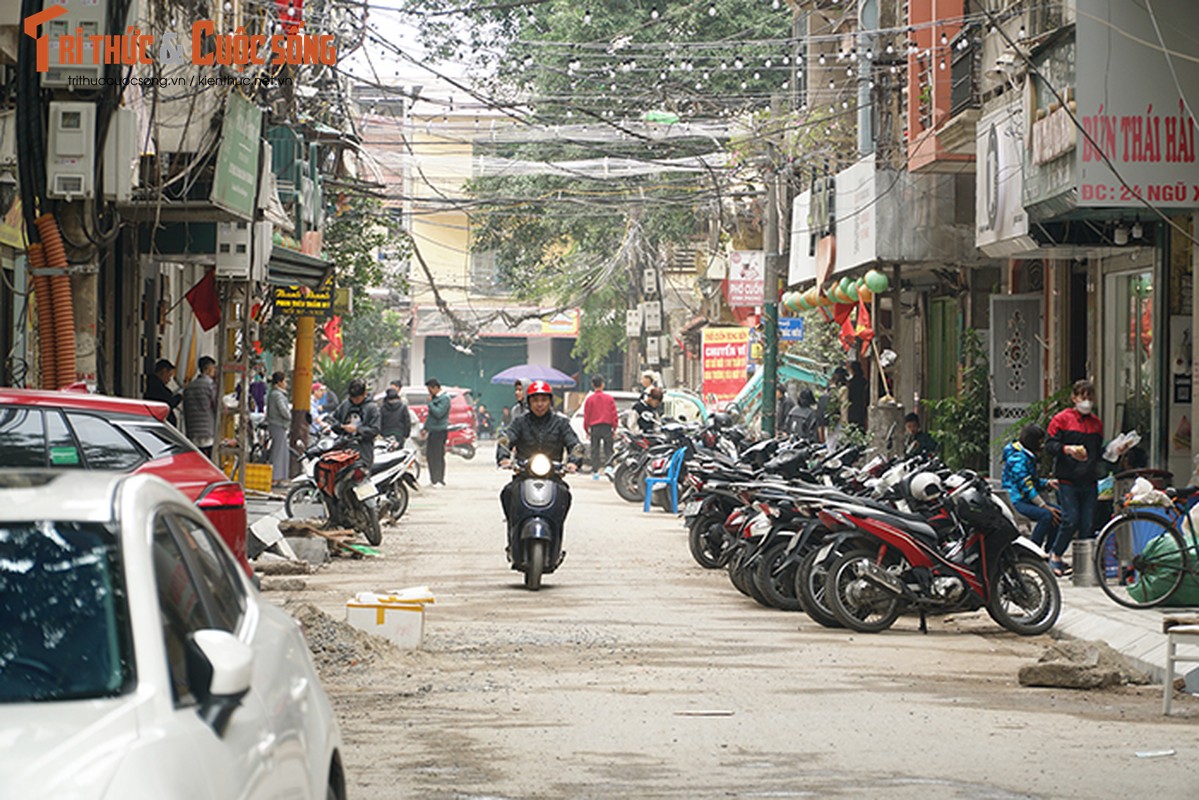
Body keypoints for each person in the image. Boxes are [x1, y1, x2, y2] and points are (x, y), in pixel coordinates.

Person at [496, 380, 582, 541]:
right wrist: (504, 457)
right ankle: (512, 532)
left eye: (544, 400)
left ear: (550, 401)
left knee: (566, 495)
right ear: (529, 402)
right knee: (507, 493)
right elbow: (506, 439)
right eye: (535, 400)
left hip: (553, 477)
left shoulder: (561, 423)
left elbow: (574, 444)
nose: (540, 404)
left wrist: (573, 461)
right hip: (524, 476)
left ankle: (557, 533)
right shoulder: (520, 422)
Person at [1044, 379, 1106, 576]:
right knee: (1071, 519)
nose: (1086, 402)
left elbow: (1098, 452)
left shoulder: (1096, 424)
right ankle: (1056, 555)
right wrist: (1066, 449)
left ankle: (1084, 566)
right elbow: (1049, 446)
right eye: (1082, 397)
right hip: (1068, 479)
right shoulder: (1061, 419)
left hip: (1089, 479)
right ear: (1074, 398)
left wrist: (1114, 451)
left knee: (1088, 522)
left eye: (1089, 398)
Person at [1002, 424, 1063, 566]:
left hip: (1025, 500)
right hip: (1015, 501)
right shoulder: (1017, 458)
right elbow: (1027, 485)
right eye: (1040, 442)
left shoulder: (1026, 456)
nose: (1042, 446)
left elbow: (1033, 481)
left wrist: (1047, 483)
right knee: (1047, 515)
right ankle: (1031, 554)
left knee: (1059, 515)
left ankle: (1051, 554)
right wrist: (1044, 506)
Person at [332, 378, 381, 469]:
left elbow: (375, 429)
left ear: (365, 394)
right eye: (352, 398)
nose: (355, 401)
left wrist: (357, 430)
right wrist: (341, 426)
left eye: (358, 398)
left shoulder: (372, 408)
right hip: (344, 450)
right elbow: (333, 420)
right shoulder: (345, 405)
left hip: (363, 451)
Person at [182, 355, 218, 458]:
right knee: (208, 462)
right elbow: (217, 405)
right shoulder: (210, 385)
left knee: (196, 461)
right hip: (208, 432)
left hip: (192, 432)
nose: (214, 371)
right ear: (208, 369)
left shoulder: (189, 387)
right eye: (213, 368)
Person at [583, 374, 618, 479]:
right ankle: (609, 468)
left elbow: (586, 415)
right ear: (603, 384)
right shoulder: (609, 399)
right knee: (609, 449)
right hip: (607, 426)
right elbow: (614, 414)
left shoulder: (590, 399)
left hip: (594, 427)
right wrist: (615, 428)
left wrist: (586, 430)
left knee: (595, 449)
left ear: (592, 384)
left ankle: (595, 472)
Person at [266, 371, 292, 486]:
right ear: (279, 382)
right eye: (285, 381)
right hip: (278, 425)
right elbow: (283, 410)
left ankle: (279, 477)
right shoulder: (277, 395)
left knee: (281, 451)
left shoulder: (274, 393)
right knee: (278, 452)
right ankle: (275, 478)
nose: (286, 383)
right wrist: (289, 415)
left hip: (276, 425)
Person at [425, 378, 450, 486]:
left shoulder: (445, 399)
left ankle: (439, 479)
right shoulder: (435, 398)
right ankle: (433, 479)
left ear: (436, 388)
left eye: (430, 389)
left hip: (440, 431)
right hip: (432, 430)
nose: (429, 392)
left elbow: (438, 413)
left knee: (438, 455)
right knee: (430, 455)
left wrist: (430, 404)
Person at [144, 358, 181, 427]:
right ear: (164, 371)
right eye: (169, 375)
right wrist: (179, 397)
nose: (169, 380)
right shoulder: (155, 386)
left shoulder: (156, 384)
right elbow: (169, 402)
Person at [379, 380, 411, 444]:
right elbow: (407, 421)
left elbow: (380, 421)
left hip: (386, 433)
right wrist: (406, 434)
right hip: (399, 433)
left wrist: (381, 433)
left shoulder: (383, 408)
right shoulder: (402, 406)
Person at [846, 361, 868, 431]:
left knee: (853, 428)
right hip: (861, 407)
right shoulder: (864, 381)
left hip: (853, 408)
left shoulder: (851, 383)